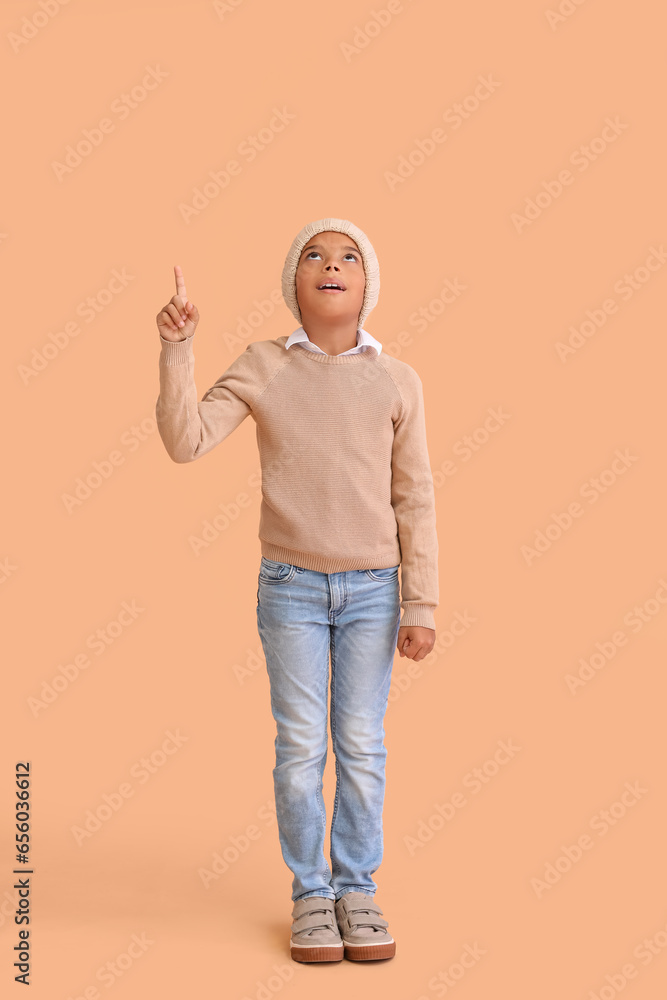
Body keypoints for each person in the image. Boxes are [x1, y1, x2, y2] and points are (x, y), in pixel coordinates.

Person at [155, 218, 439, 963]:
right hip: (290, 590)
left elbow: (415, 499)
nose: (331, 264)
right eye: (314, 254)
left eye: (348, 255)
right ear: (294, 281)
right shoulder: (264, 364)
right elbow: (185, 441)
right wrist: (177, 349)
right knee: (301, 746)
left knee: (362, 744)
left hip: (377, 592)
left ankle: (357, 887)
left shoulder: (396, 379)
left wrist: (421, 603)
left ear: (368, 282)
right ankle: (311, 893)